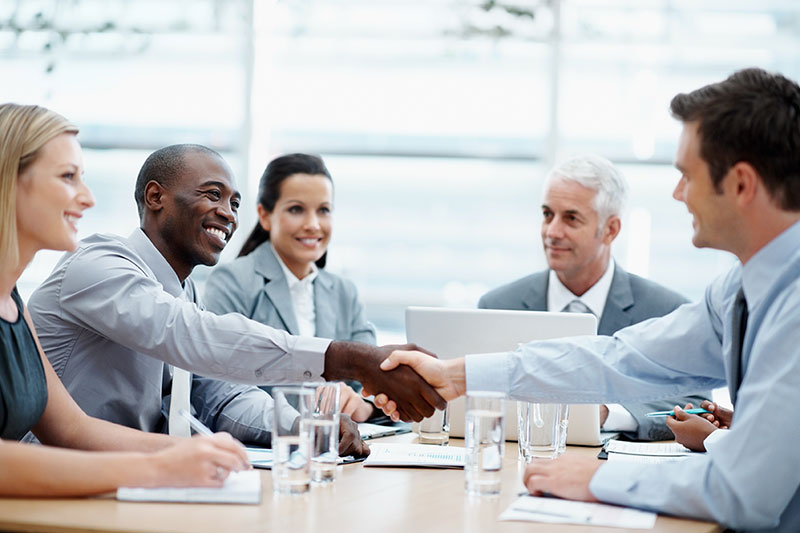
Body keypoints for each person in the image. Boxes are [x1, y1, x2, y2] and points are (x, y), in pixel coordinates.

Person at [374, 68, 800, 532]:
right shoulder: (738, 290)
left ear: (741, 184)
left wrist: (600, 478)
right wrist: (458, 375)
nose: (678, 194)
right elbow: (620, 358)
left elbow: (743, 492)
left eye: (686, 176)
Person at [27, 144, 442, 455]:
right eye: (212, 194)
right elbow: (191, 337)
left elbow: (219, 394)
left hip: (128, 475)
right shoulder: (98, 264)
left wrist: (304, 425)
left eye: (234, 202)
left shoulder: (183, 290)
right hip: (52, 474)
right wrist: (350, 358)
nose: (228, 213)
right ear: (156, 198)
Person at [0, 103, 250, 496]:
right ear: (8, 181)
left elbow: (72, 427)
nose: (87, 199)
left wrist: (194, 454)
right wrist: (157, 468)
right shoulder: (100, 264)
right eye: (68, 177)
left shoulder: (11, 301)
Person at [479, 154, 705, 441]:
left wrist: (608, 414)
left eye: (571, 219)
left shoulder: (666, 311)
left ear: (610, 230)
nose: (552, 231)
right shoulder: (497, 307)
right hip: (516, 464)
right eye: (548, 214)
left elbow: (696, 405)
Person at [205, 153, 377, 422]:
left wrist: (361, 406)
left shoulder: (344, 292)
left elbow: (374, 381)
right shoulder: (233, 281)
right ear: (264, 215)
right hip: (265, 448)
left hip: (337, 452)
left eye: (324, 210)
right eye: (296, 209)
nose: (313, 224)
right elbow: (217, 387)